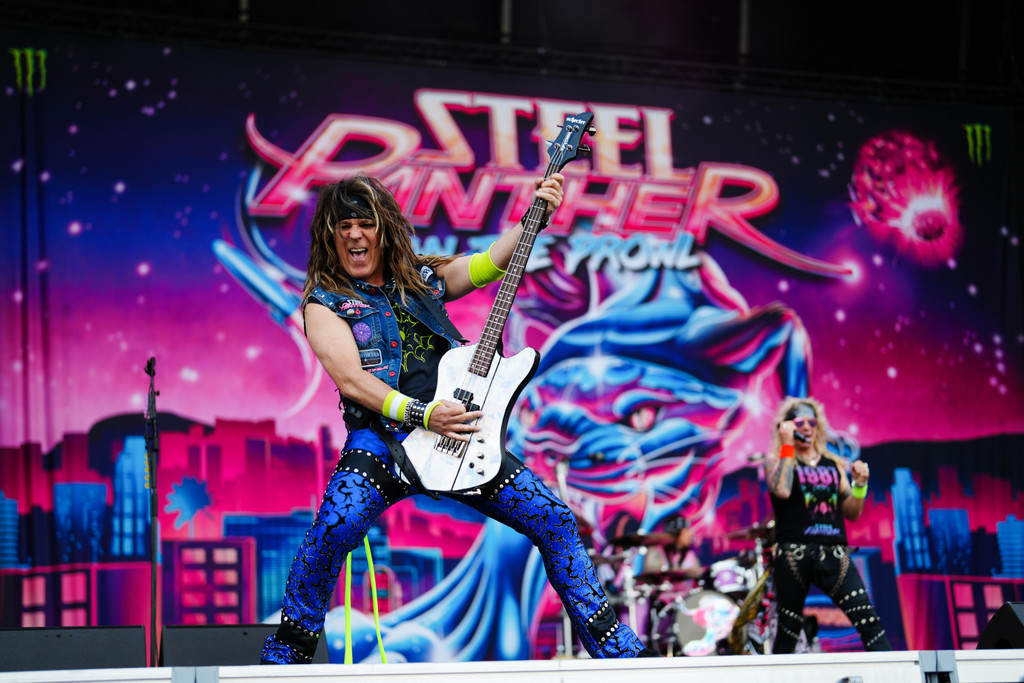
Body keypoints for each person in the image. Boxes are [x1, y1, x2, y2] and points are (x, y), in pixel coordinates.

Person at [260, 173, 655, 663]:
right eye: (344, 226)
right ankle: (288, 654)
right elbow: (353, 381)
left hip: (461, 439)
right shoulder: (324, 302)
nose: (355, 234)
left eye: (366, 223)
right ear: (330, 235)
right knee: (332, 530)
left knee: (554, 519)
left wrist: (535, 215)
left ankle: (617, 648)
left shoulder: (420, 279)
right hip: (384, 442)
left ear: (384, 229)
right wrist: (423, 414)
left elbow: (489, 264)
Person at [764, 396, 891, 653]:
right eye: (799, 422)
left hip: (833, 553)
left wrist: (860, 485)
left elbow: (852, 513)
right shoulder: (777, 461)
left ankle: (895, 673)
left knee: (868, 621)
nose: (807, 427)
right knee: (788, 632)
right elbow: (782, 490)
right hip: (794, 555)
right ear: (786, 426)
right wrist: (787, 445)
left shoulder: (833, 464)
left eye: (812, 422)